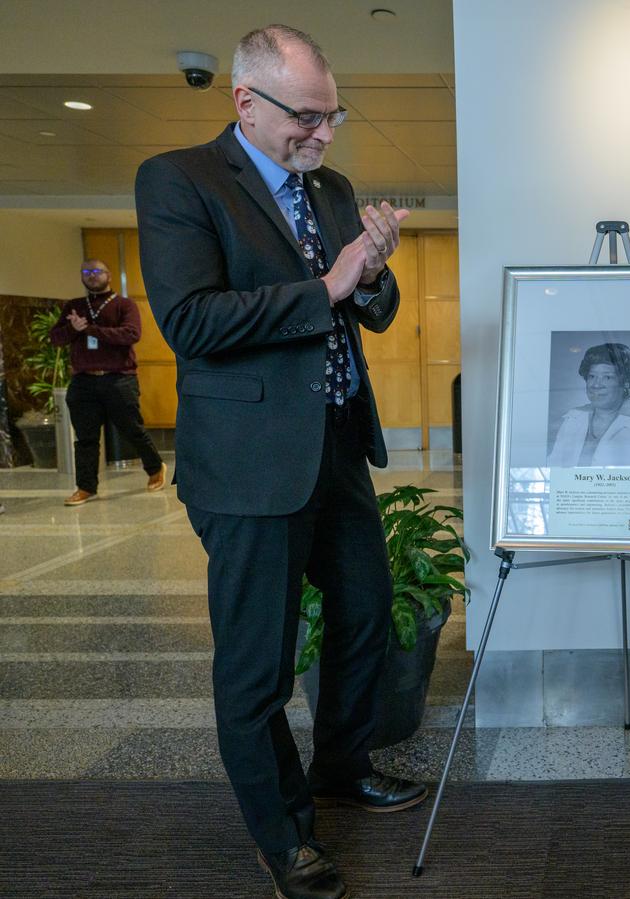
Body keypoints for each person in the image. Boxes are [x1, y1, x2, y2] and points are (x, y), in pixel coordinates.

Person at [135, 25, 418, 899]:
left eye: (334, 117)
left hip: (333, 443)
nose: (325, 137)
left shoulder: (329, 187)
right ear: (245, 102)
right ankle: (282, 831)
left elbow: (370, 306)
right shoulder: (179, 180)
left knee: (367, 612)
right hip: (249, 463)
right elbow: (193, 321)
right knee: (257, 661)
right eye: (309, 117)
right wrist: (329, 286)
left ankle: (340, 763)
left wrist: (371, 275)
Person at [49, 259, 166, 505]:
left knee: (132, 429)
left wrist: (89, 330)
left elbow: (131, 334)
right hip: (83, 382)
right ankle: (86, 487)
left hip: (119, 379)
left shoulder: (124, 304)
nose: (92, 276)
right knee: (85, 438)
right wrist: (73, 329)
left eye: (97, 271)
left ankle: (155, 468)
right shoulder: (75, 306)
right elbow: (56, 339)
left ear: (109, 275)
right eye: (86, 272)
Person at [547, 342, 630, 469]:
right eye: (592, 376)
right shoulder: (571, 419)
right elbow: (554, 470)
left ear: (626, 382)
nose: (596, 384)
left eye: (607, 377)